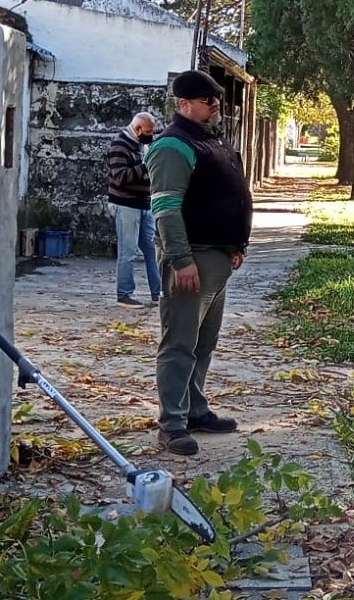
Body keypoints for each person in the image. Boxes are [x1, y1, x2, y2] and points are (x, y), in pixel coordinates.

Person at [146, 70, 252, 455]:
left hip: (217, 257)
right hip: (192, 259)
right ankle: (172, 424)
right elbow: (166, 209)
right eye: (208, 101)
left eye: (217, 99)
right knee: (179, 343)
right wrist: (180, 259)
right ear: (184, 104)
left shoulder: (210, 140)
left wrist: (234, 244)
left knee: (204, 342)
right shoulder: (172, 146)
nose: (216, 105)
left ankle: (194, 409)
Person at [108, 112, 162, 308]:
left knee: (152, 251)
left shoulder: (142, 145)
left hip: (144, 204)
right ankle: (124, 294)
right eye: (148, 132)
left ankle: (159, 293)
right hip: (126, 205)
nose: (151, 135)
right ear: (138, 129)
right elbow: (120, 177)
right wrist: (146, 165)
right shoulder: (119, 146)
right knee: (128, 252)